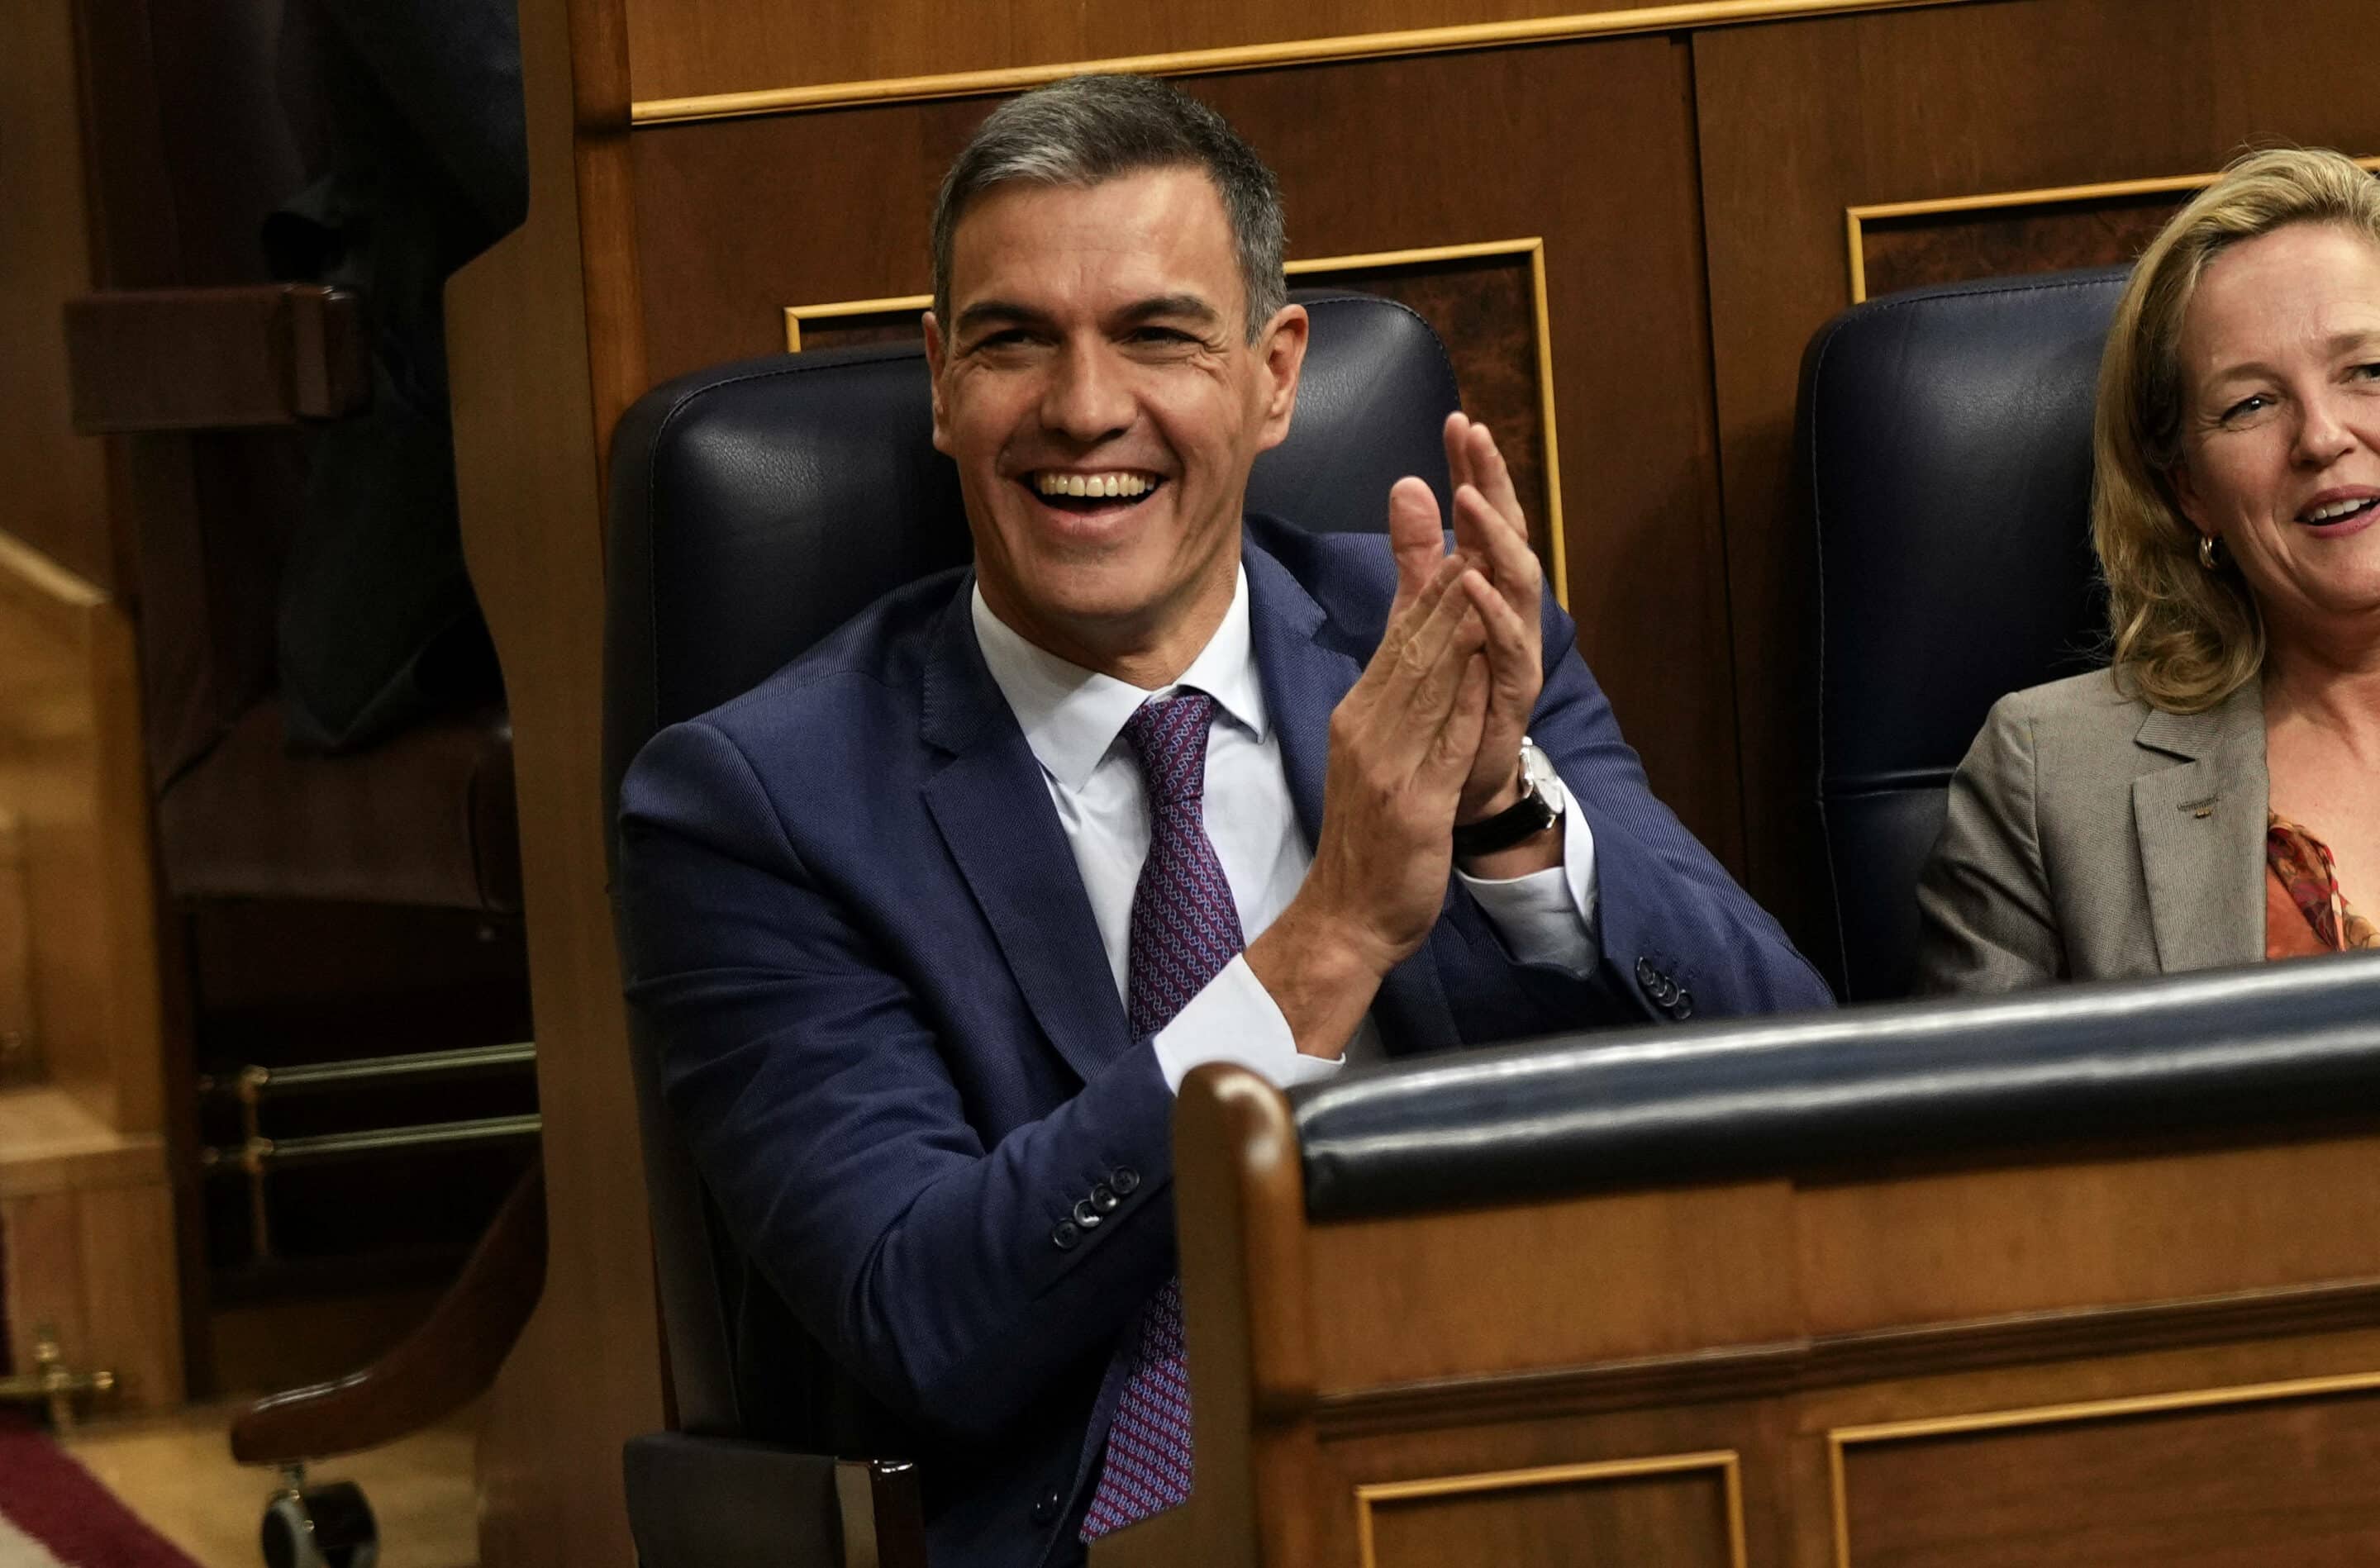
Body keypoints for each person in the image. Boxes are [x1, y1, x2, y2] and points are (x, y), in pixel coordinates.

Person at [617, 73, 1830, 1568]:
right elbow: (925, 1313)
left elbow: (1794, 1072)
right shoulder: (758, 803)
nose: (1083, 406)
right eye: (1012, 340)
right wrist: (1318, 949)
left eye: (1156, 332)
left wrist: (1509, 815)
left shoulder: (1434, 636)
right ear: (940, 383)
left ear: (1274, 374)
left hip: (1533, 1484)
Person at [1918, 147, 2380, 992]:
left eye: (2370, 370)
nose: (2321, 436)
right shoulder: (2049, 780)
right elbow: (1990, 1122)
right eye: (2251, 404)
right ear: (2191, 492)